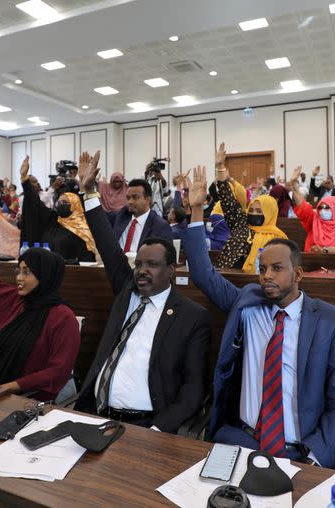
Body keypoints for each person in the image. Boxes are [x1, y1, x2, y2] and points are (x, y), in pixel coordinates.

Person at [181, 165, 335, 469]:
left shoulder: (332, 322)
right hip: (242, 440)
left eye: (277, 269)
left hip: (302, 453)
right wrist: (197, 210)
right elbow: (202, 272)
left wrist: (314, 458)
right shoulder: (247, 303)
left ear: (298, 274)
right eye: (262, 269)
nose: (267, 276)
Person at [74, 150, 212, 432]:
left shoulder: (191, 317)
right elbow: (107, 245)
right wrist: (88, 192)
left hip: (146, 426)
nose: (142, 270)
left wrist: (159, 429)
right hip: (96, 414)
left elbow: (194, 387)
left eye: (152, 265)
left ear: (171, 271)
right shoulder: (127, 292)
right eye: (139, 264)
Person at [0, 214, 80, 399]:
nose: (19, 278)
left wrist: (13, 386)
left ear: (46, 275)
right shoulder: (12, 299)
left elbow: (58, 371)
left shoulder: (63, 317)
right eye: (19, 271)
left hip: (28, 398)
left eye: (27, 273)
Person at [214, 143, 287, 273]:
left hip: (255, 284)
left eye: (259, 211)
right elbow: (227, 198)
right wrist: (220, 167)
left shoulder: (278, 239)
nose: (253, 213)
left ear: (270, 214)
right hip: (225, 277)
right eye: (251, 210)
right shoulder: (241, 223)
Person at [19, 155, 96, 263]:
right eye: (59, 201)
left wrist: (83, 183)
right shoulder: (53, 220)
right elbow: (35, 204)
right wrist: (24, 179)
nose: (60, 204)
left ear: (75, 206)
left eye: (65, 202)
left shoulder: (83, 228)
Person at [100, 169, 172, 253]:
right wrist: (85, 190)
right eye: (128, 198)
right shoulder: (121, 216)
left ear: (148, 199)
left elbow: (164, 259)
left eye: (135, 197)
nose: (130, 202)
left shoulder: (160, 226)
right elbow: (99, 216)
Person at [288, 167, 335, 254]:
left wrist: (323, 250)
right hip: (311, 262)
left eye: (326, 208)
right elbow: (303, 206)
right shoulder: (315, 220)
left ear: (334, 210)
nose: (322, 211)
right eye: (320, 208)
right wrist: (294, 186)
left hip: (334, 265)